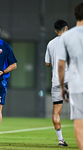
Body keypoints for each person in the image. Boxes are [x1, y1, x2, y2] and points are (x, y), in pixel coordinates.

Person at [58, 3, 83, 150]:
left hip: (76, 85)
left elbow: (61, 65)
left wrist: (62, 87)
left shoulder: (67, 36)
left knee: (79, 122)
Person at [45, 19, 69, 146]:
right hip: (72, 80)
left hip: (57, 82)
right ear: (66, 29)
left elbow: (47, 63)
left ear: (55, 31)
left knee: (56, 113)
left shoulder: (50, 44)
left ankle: (61, 140)